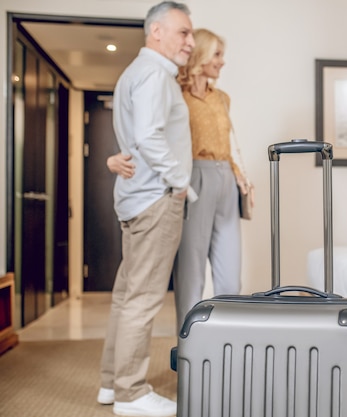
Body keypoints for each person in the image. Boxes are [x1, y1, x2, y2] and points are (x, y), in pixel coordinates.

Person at [108, 28, 253, 334]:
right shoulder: (174, 93)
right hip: (191, 178)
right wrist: (113, 158)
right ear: (200, 56)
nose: (222, 62)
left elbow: (225, 145)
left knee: (230, 278)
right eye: (217, 54)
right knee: (191, 274)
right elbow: (147, 133)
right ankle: (191, 351)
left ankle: (228, 348)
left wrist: (238, 175)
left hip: (226, 179)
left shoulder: (223, 99)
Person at [97, 2, 195, 417]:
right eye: (183, 32)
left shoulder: (135, 73)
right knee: (142, 299)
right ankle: (131, 393)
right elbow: (150, 138)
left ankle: (110, 384)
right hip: (155, 199)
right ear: (157, 31)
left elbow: (137, 140)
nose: (190, 41)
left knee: (126, 297)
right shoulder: (155, 74)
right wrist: (180, 183)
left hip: (136, 198)